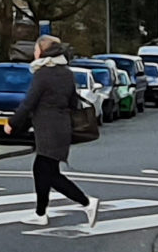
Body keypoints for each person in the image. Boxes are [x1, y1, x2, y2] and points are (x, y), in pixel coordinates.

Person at [11, 35, 100, 228]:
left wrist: (12, 122)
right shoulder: (67, 73)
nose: (34, 52)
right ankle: (40, 213)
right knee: (43, 169)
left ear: (43, 51)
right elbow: (73, 102)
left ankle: (86, 202)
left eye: (36, 49)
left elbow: (29, 102)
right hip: (61, 128)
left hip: (48, 129)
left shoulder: (43, 74)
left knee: (48, 173)